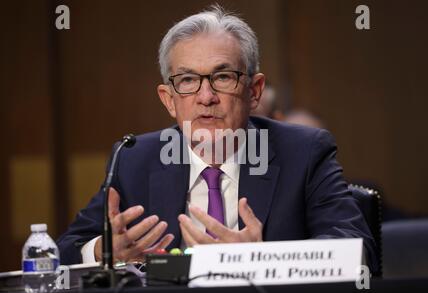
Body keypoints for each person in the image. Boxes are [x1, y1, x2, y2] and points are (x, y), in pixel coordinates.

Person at [57, 5, 378, 273]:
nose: (205, 97)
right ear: (169, 99)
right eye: (187, 80)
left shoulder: (304, 153)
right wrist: (104, 251)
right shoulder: (133, 159)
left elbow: (360, 251)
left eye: (223, 77)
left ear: (254, 91)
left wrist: (264, 259)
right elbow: (60, 253)